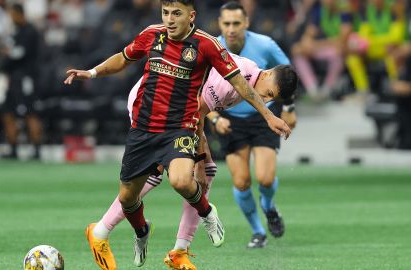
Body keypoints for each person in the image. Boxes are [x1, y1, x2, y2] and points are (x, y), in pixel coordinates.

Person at [64, 0, 291, 268]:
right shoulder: (163, 38)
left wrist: (265, 116)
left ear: (190, 16)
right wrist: (91, 73)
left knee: (197, 175)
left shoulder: (227, 62)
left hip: (179, 119)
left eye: (176, 14)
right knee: (164, 176)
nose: (266, 99)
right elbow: (199, 107)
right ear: (267, 76)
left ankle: (176, 248)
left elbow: (205, 105)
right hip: (148, 109)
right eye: (269, 94)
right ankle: (110, 231)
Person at [206, 1, 297, 249]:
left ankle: (268, 207)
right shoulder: (212, 47)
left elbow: (288, 75)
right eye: (226, 23)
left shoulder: (264, 44)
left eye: (236, 23)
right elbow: (201, 89)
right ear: (220, 23)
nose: (231, 28)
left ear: (246, 22)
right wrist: (215, 117)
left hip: (263, 117)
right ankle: (258, 232)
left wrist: (288, 108)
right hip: (231, 119)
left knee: (265, 178)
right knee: (242, 182)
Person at [0, 3, 43, 159]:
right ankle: (13, 148)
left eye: (13, 15)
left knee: (30, 112)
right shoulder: (15, 32)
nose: (11, 18)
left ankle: (37, 149)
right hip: (13, 79)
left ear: (20, 14)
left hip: (26, 79)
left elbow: (19, 53)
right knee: (8, 112)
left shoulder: (30, 31)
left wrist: (7, 53)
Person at [292, 0, 352, 98]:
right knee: (298, 53)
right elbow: (310, 33)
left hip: (338, 49)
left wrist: (315, 45)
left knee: (337, 54)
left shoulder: (344, 10)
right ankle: (312, 89)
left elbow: (341, 40)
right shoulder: (320, 10)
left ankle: (328, 89)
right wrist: (305, 44)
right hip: (324, 48)